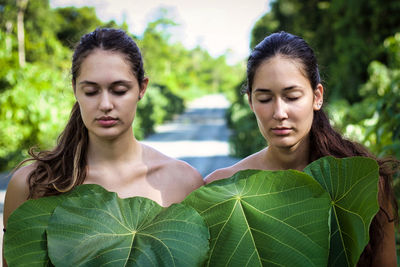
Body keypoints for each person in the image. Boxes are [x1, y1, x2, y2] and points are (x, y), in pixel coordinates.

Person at [3, 28, 204, 263]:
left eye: (119, 91)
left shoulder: (184, 181)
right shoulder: (33, 183)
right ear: (74, 89)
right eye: (91, 91)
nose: (105, 104)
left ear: (142, 88)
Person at [205, 31, 398, 266]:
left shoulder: (362, 179)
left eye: (292, 97)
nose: (279, 113)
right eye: (265, 99)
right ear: (250, 102)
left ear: (317, 96)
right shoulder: (221, 187)